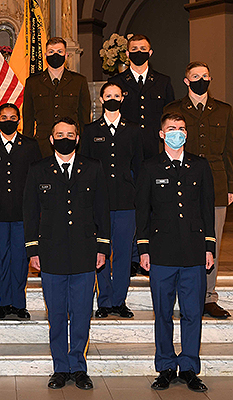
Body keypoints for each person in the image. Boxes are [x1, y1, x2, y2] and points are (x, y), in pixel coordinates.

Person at [23, 117, 110, 390]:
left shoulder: (93, 168)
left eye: (70, 134)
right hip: (51, 252)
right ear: (50, 139)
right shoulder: (38, 170)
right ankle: (60, 367)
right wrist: (32, 249)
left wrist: (102, 247)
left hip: (85, 251)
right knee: (57, 314)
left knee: (82, 312)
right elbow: (29, 212)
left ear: (77, 138)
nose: (65, 138)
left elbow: (102, 210)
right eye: (59, 134)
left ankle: (79, 367)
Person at [136, 112, 215, 393]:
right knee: (163, 314)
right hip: (162, 253)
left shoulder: (200, 166)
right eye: (171, 128)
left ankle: (190, 367)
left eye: (181, 128)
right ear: (161, 134)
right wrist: (143, 248)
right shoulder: (149, 167)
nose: (176, 132)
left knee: (193, 312)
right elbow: (142, 211)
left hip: (194, 251)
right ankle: (166, 366)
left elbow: (207, 210)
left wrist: (209, 246)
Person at [164, 61, 233, 319]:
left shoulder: (224, 111)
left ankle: (208, 297)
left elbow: (229, 151)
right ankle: (182, 294)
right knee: (181, 238)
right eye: (195, 76)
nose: (200, 80)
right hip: (182, 182)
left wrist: (230, 186)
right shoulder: (173, 110)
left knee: (212, 241)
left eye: (205, 75)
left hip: (216, 183)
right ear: (186, 81)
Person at [81, 82, 143, 319]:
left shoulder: (134, 130)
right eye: (108, 95)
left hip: (127, 201)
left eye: (117, 95)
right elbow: (84, 167)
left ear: (123, 98)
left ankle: (119, 301)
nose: (113, 98)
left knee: (124, 252)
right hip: (99, 203)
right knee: (102, 252)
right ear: (101, 100)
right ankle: (104, 301)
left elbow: (139, 166)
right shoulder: (90, 131)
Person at [0, 103, 42, 320]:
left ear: (19, 120)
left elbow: (37, 180)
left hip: (23, 214)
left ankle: (19, 303)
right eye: (3, 117)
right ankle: (4, 303)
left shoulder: (30, 146)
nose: (8, 120)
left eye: (12, 117)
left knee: (20, 259)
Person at [108, 34, 174, 160]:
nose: (139, 52)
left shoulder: (163, 81)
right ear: (127, 54)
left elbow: (169, 115)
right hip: (126, 144)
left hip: (155, 144)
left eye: (143, 49)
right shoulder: (116, 82)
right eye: (134, 49)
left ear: (150, 53)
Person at [23, 37, 91, 157]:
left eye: (59, 52)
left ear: (66, 55)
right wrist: (27, 146)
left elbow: (84, 118)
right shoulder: (33, 83)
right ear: (45, 55)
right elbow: (28, 119)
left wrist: (84, 145)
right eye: (51, 52)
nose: (55, 55)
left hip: (71, 144)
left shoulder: (79, 81)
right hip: (42, 146)